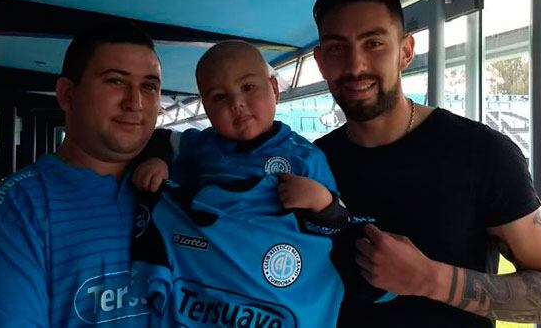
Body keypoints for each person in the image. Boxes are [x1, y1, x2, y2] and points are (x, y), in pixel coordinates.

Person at [305, 0, 541, 327]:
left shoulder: (480, 152)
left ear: (405, 52)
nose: (356, 66)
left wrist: (429, 279)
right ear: (321, 60)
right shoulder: (310, 164)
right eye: (338, 48)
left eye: (374, 44)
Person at [128, 41, 375, 327]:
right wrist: (159, 160)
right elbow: (161, 138)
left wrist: (320, 200)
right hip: (214, 280)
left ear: (274, 89)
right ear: (206, 107)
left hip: (276, 282)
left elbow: (340, 223)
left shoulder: (306, 157)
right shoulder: (200, 146)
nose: (237, 104)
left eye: (248, 88)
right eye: (220, 98)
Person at [0, 24, 163, 327]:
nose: (135, 102)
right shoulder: (17, 207)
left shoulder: (181, 186)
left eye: (149, 86)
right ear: (67, 95)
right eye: (115, 81)